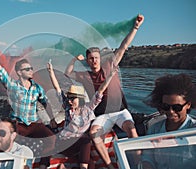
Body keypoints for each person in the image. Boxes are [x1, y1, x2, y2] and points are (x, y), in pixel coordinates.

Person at [64, 14, 144, 168]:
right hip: (102, 114)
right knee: (94, 134)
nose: (94, 61)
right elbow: (67, 73)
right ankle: (109, 165)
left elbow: (123, 47)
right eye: (91, 59)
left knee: (132, 131)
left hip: (120, 111)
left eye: (96, 58)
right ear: (87, 61)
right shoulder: (84, 75)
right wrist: (74, 59)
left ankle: (137, 165)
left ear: (100, 58)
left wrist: (135, 28)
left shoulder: (110, 65)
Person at [0, 37, 57, 169]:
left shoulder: (37, 88)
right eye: (27, 69)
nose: (31, 70)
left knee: (51, 138)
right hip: (18, 125)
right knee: (4, 145)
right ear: (19, 72)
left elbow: (46, 103)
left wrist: (52, 119)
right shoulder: (13, 86)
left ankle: (43, 165)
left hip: (34, 124)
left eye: (31, 68)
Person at [47, 60, 117, 169]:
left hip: (79, 145)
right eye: (69, 98)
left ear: (80, 99)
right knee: (86, 141)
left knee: (91, 164)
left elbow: (101, 90)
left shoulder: (88, 108)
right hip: (65, 143)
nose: (70, 101)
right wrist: (51, 72)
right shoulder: (67, 107)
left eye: (72, 99)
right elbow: (57, 88)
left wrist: (110, 75)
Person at [140, 73, 196, 169]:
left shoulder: (193, 131)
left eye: (177, 107)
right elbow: (147, 159)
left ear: (188, 105)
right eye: (166, 106)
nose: (171, 111)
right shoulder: (154, 130)